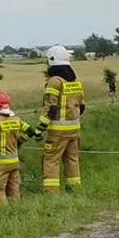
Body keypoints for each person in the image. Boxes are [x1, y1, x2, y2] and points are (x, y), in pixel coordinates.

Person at [38, 45, 86, 194]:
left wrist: (40, 128)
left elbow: (51, 107)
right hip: (74, 129)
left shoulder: (55, 81)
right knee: (72, 159)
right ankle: (74, 189)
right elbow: (82, 106)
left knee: (51, 160)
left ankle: (52, 193)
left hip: (58, 131)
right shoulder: (75, 81)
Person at [0, 90, 35, 205]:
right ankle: (16, 211)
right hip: (14, 161)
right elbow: (30, 131)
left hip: (0, 163)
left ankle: (4, 214)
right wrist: (19, 142)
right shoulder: (16, 120)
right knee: (14, 189)